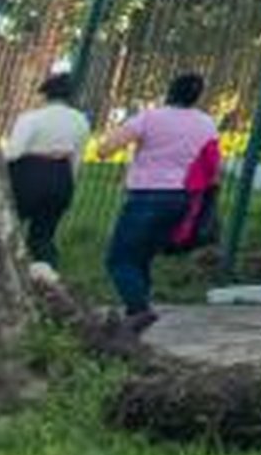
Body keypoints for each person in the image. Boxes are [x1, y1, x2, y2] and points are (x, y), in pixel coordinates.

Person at [88, 72, 223, 330]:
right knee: (143, 257)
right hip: (183, 199)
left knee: (119, 259)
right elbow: (213, 165)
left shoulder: (150, 117)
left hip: (146, 196)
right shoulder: (207, 123)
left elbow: (105, 149)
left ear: (169, 91)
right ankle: (135, 314)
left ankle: (139, 309)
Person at [0, 68, 94, 269]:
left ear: (45, 94)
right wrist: (68, 184)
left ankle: (4, 268)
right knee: (42, 237)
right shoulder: (81, 120)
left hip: (28, 176)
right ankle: (48, 276)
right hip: (61, 177)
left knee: (7, 226)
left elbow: (14, 152)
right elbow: (77, 159)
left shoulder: (31, 118)